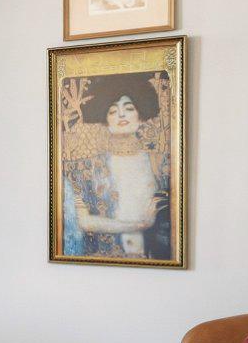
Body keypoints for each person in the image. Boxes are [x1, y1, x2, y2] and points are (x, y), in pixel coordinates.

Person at [61, 71, 172, 260]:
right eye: (113, 110)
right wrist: (140, 224)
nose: (121, 114)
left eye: (129, 108)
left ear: (141, 115)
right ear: (105, 120)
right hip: (105, 261)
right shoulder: (86, 168)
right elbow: (84, 221)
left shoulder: (161, 163)